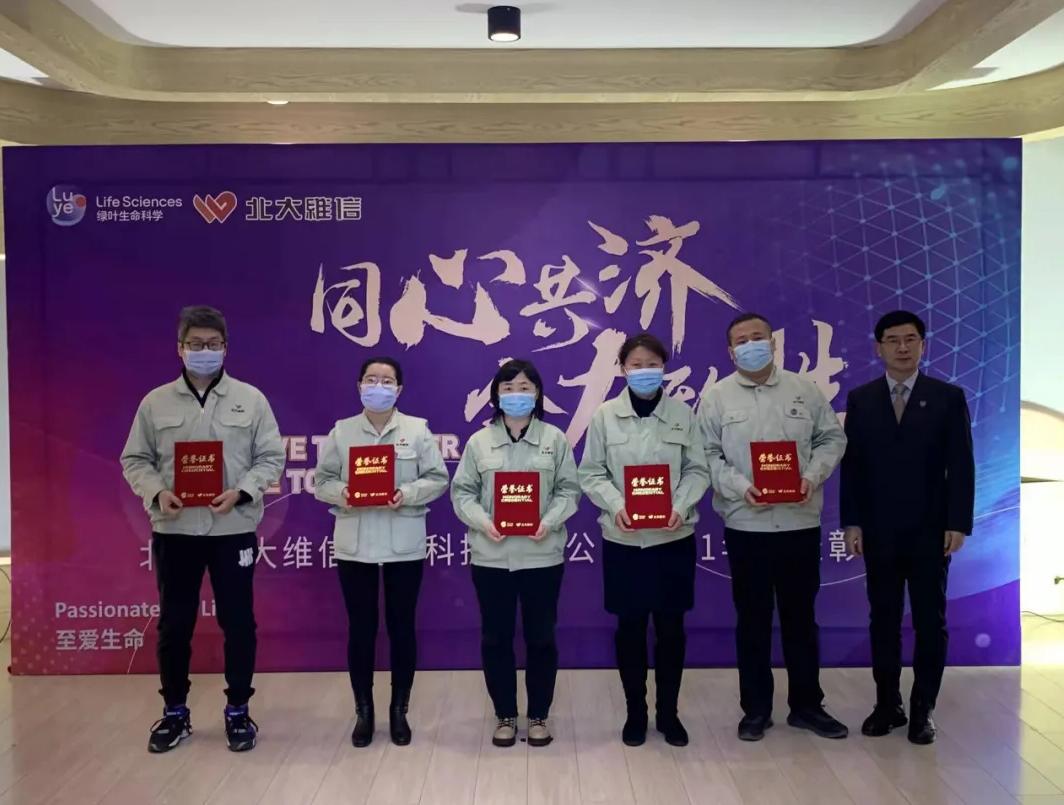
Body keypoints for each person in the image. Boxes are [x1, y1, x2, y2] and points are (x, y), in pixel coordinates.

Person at [120, 305, 285, 754]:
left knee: (239, 622)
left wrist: (242, 492)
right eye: (196, 344)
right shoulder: (155, 403)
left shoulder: (251, 399)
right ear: (180, 348)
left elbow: (271, 458)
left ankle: (238, 711)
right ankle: (175, 711)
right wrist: (157, 492)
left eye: (213, 344)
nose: (204, 351)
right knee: (175, 624)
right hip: (175, 529)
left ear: (226, 348)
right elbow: (135, 459)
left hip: (233, 527)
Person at [699, 312, 848, 743]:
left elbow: (832, 439)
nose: (751, 345)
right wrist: (739, 486)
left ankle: (807, 706)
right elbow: (706, 455)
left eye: (757, 337)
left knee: (801, 619)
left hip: (799, 523)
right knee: (753, 620)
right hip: (747, 525)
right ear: (731, 352)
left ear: (773, 343)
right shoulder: (717, 398)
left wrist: (811, 477)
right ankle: (756, 709)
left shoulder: (804, 390)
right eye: (741, 341)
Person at [840, 310, 975, 745]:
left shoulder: (947, 397)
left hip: (930, 530)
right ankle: (888, 705)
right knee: (882, 619)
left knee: (930, 621)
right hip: (878, 530)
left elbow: (962, 465)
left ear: (923, 345)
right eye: (893, 340)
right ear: (878, 347)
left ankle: (923, 708)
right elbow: (853, 467)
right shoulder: (862, 399)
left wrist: (957, 522)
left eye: (911, 339)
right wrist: (852, 521)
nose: (902, 348)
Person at [578, 332, 710, 748]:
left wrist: (681, 505)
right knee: (630, 628)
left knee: (671, 629)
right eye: (636, 365)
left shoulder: (683, 414)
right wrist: (617, 505)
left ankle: (669, 714)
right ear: (623, 369)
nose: (645, 371)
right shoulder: (605, 417)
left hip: (673, 537)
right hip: (624, 540)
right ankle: (635, 713)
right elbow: (591, 473)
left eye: (652, 364)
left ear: (664, 368)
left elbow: (698, 469)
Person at [314, 356, 449, 748]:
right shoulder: (342, 432)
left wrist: (405, 493)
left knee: (402, 627)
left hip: (403, 545)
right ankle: (364, 711)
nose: (378, 386)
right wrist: (344, 493)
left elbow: (438, 478)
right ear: (359, 385)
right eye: (371, 379)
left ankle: (398, 710)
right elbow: (321, 481)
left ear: (399, 389)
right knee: (361, 629)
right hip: (354, 546)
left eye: (386, 381)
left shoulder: (417, 430)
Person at [451, 359, 581, 749]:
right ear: (496, 395)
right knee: (496, 638)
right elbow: (462, 493)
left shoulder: (555, 439)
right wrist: (483, 522)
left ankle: (539, 714)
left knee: (541, 638)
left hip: (542, 556)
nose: (516, 395)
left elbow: (569, 491)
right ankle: (505, 714)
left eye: (524, 387)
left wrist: (550, 521)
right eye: (508, 388)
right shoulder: (479, 442)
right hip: (492, 556)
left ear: (538, 393)